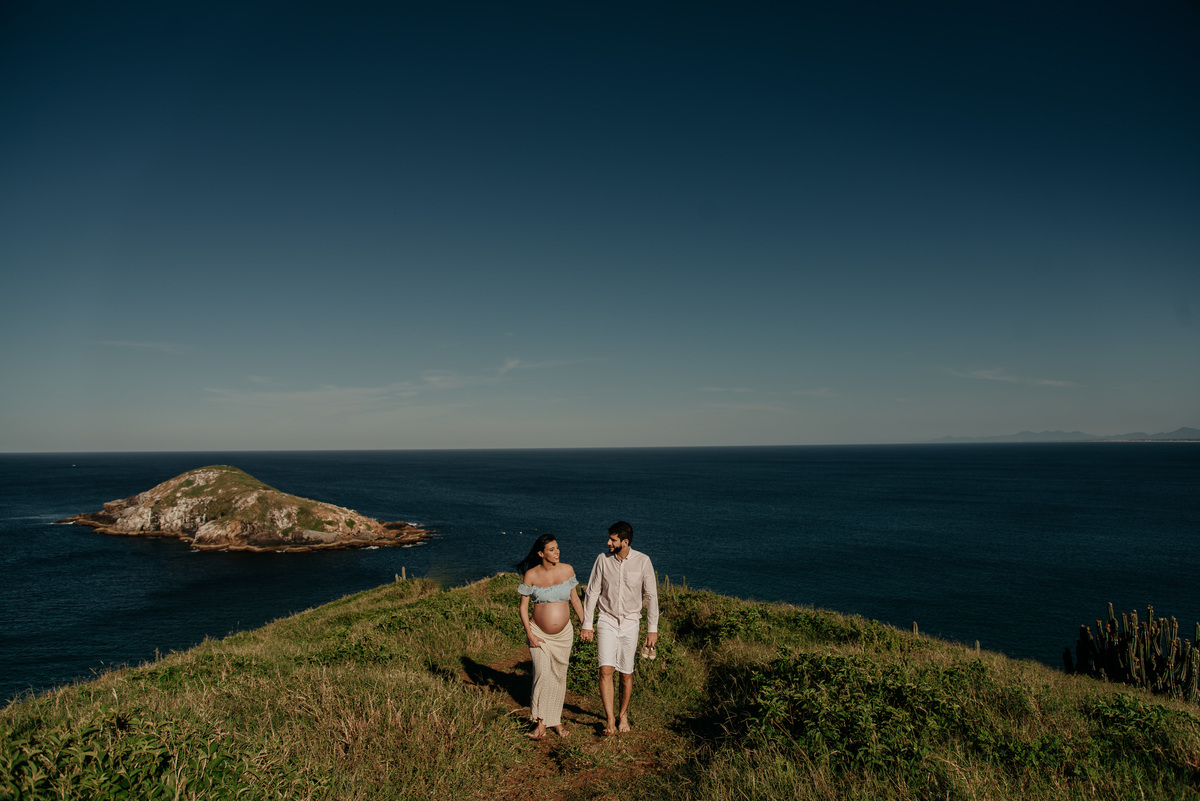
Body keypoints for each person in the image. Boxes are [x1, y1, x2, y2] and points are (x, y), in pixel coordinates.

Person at [580, 521, 659, 736]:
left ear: (625, 542)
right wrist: (587, 623)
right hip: (606, 619)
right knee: (606, 669)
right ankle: (609, 719)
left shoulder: (643, 561)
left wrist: (653, 629)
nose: (608, 542)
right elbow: (592, 592)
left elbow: (651, 596)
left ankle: (623, 713)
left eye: (613, 539)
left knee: (626, 673)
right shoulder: (602, 560)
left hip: (631, 622)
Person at [516, 533, 586, 739]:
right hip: (538, 633)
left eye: (557, 548)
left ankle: (555, 721)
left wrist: (585, 625)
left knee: (558, 677)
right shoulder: (531, 575)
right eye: (552, 549)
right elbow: (523, 608)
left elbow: (575, 600)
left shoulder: (567, 570)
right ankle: (540, 723)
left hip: (564, 635)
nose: (557, 552)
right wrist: (530, 634)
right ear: (540, 553)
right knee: (542, 675)